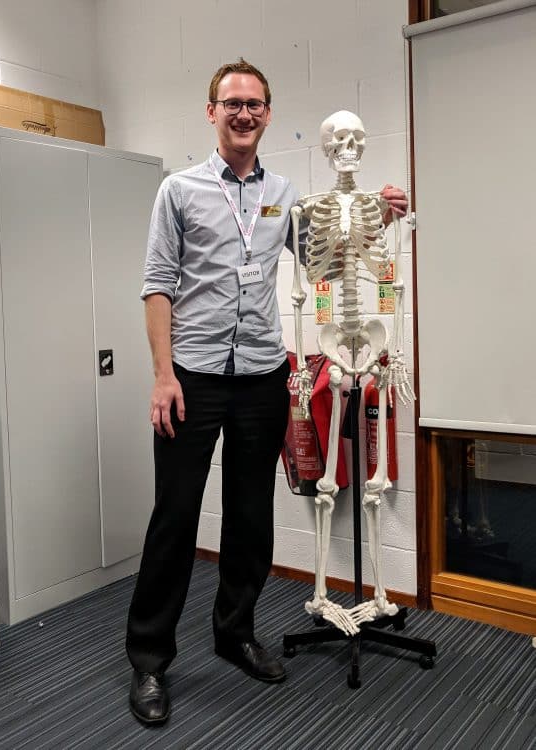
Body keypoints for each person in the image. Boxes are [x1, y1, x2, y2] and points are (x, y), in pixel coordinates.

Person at [126, 59, 408, 725]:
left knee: (250, 516)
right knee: (174, 517)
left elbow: (320, 256)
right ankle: (147, 660)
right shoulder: (180, 190)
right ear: (212, 113)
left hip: (260, 375)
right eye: (232, 103)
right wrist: (163, 374)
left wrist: (380, 209)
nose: (243, 113)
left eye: (254, 103)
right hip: (191, 377)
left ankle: (235, 634)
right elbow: (157, 284)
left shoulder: (283, 193)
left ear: (268, 113)